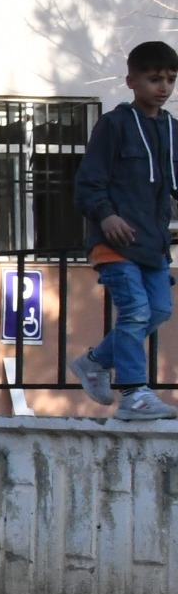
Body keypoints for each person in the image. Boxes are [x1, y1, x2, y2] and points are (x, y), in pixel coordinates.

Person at [70, 40, 178, 420]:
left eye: (170, 79)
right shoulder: (114, 125)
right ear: (131, 81)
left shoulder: (172, 130)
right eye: (154, 79)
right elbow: (87, 183)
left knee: (159, 311)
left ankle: (94, 362)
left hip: (153, 245)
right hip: (114, 242)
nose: (163, 87)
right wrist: (106, 216)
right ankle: (134, 395)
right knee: (134, 312)